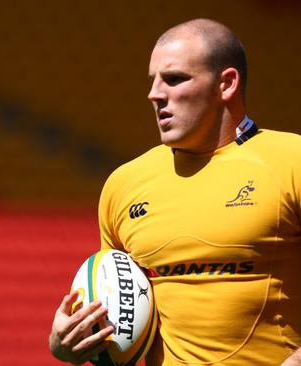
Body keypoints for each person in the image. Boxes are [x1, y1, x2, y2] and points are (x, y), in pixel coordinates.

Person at [49, 18, 301, 365]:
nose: (154, 93)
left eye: (174, 79)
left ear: (226, 84)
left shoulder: (292, 162)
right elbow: (118, 317)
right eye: (153, 80)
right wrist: (72, 339)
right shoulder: (124, 184)